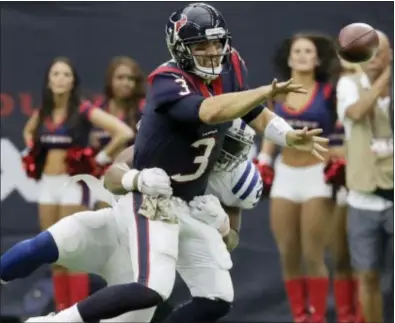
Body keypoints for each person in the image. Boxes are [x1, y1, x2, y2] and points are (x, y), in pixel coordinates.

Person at [20, 3, 327, 323]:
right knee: (147, 288)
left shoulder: (235, 170)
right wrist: (135, 182)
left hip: (189, 207)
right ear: (181, 49)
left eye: (216, 43)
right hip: (151, 205)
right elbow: (209, 113)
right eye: (200, 45)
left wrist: (287, 136)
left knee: (217, 298)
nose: (212, 52)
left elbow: (231, 238)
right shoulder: (170, 82)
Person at [2, 119, 261, 323]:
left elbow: (230, 241)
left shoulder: (235, 180)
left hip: (141, 265)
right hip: (114, 229)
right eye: (225, 142)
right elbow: (111, 178)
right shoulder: (169, 147)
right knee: (36, 249)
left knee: (204, 298)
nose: (227, 153)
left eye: (234, 145)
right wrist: (135, 180)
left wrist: (222, 228)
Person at [21, 57, 134, 311]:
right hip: (48, 185)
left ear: (73, 82)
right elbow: (28, 132)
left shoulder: (82, 110)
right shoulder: (43, 113)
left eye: (66, 74)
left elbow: (123, 133)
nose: (60, 79)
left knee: (72, 250)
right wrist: (33, 152)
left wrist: (100, 158)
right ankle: (62, 312)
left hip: (73, 186)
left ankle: (78, 313)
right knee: (53, 254)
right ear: (49, 81)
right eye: (56, 74)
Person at [256, 32, 341, 323]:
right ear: (289, 57)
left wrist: (335, 156)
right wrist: (264, 160)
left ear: (317, 59)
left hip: (317, 176)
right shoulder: (276, 93)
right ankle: (299, 316)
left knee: (313, 254)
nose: (303, 55)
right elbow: (270, 132)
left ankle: (317, 318)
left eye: (309, 51)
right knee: (288, 253)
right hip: (285, 176)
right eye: (298, 50)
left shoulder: (330, 93)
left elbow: (340, 136)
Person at [336, 31, 393, 323]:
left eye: (379, 52)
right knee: (367, 277)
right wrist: (386, 77)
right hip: (363, 199)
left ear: (390, 54)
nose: (373, 59)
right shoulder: (348, 84)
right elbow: (357, 112)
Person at [327, 60, 363, 323]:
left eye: (354, 71)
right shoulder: (328, 109)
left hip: (369, 192)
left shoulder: (379, 107)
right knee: (340, 257)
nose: (347, 78)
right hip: (338, 192)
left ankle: (363, 316)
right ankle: (346, 317)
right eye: (344, 72)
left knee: (365, 261)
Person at [90, 56, 145, 209]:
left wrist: (105, 153)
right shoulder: (99, 108)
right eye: (120, 78)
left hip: (132, 178)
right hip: (102, 177)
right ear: (110, 80)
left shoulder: (143, 109)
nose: (126, 83)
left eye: (130, 78)